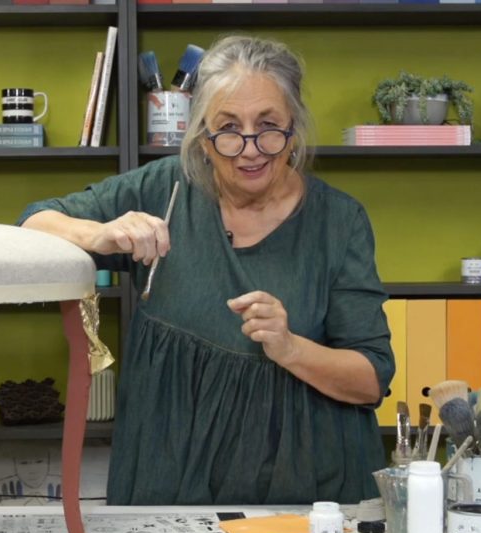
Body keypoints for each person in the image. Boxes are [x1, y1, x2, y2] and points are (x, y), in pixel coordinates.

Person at [19, 35, 394, 506]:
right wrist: (100, 236)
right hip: (169, 479)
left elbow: (370, 380)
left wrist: (290, 347)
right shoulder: (164, 190)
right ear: (201, 134)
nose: (250, 148)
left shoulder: (339, 222)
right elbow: (33, 222)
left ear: (294, 128)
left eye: (269, 126)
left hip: (307, 490)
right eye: (228, 127)